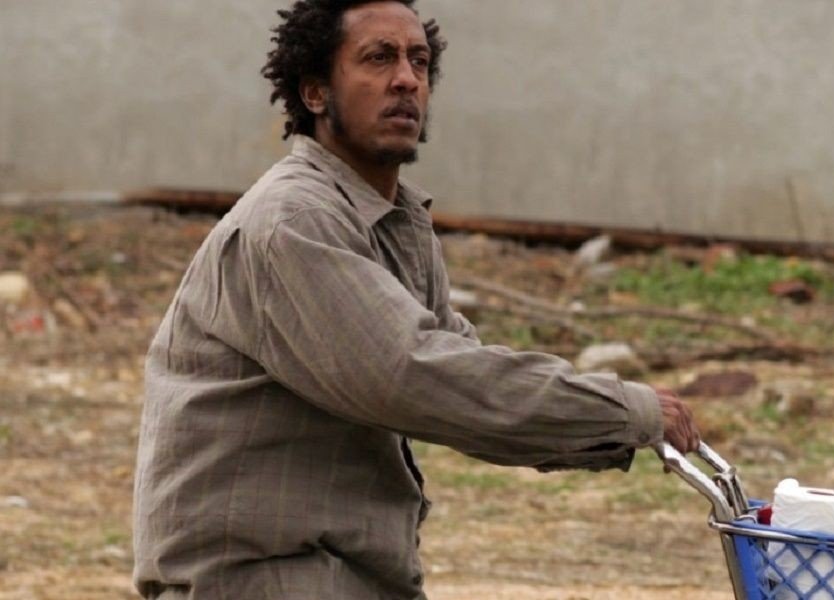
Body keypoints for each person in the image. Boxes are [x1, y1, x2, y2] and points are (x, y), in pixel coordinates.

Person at [131, 1, 700, 598]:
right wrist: (622, 411)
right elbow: (416, 374)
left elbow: (466, 370)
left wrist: (619, 420)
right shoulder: (295, 221)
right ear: (316, 92)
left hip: (339, 573)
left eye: (419, 61)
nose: (406, 79)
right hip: (263, 576)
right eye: (378, 58)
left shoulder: (391, 219)